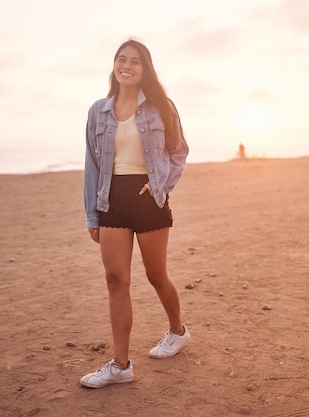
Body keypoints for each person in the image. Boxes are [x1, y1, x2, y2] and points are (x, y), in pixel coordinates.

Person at [80, 39, 190, 389]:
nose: (126, 65)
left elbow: (178, 152)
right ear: (114, 66)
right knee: (115, 279)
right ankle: (121, 364)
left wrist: (161, 188)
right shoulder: (98, 110)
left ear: (145, 70)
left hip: (148, 198)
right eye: (121, 59)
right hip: (111, 199)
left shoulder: (161, 108)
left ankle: (177, 331)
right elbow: (92, 165)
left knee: (156, 275)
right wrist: (91, 214)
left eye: (135, 62)